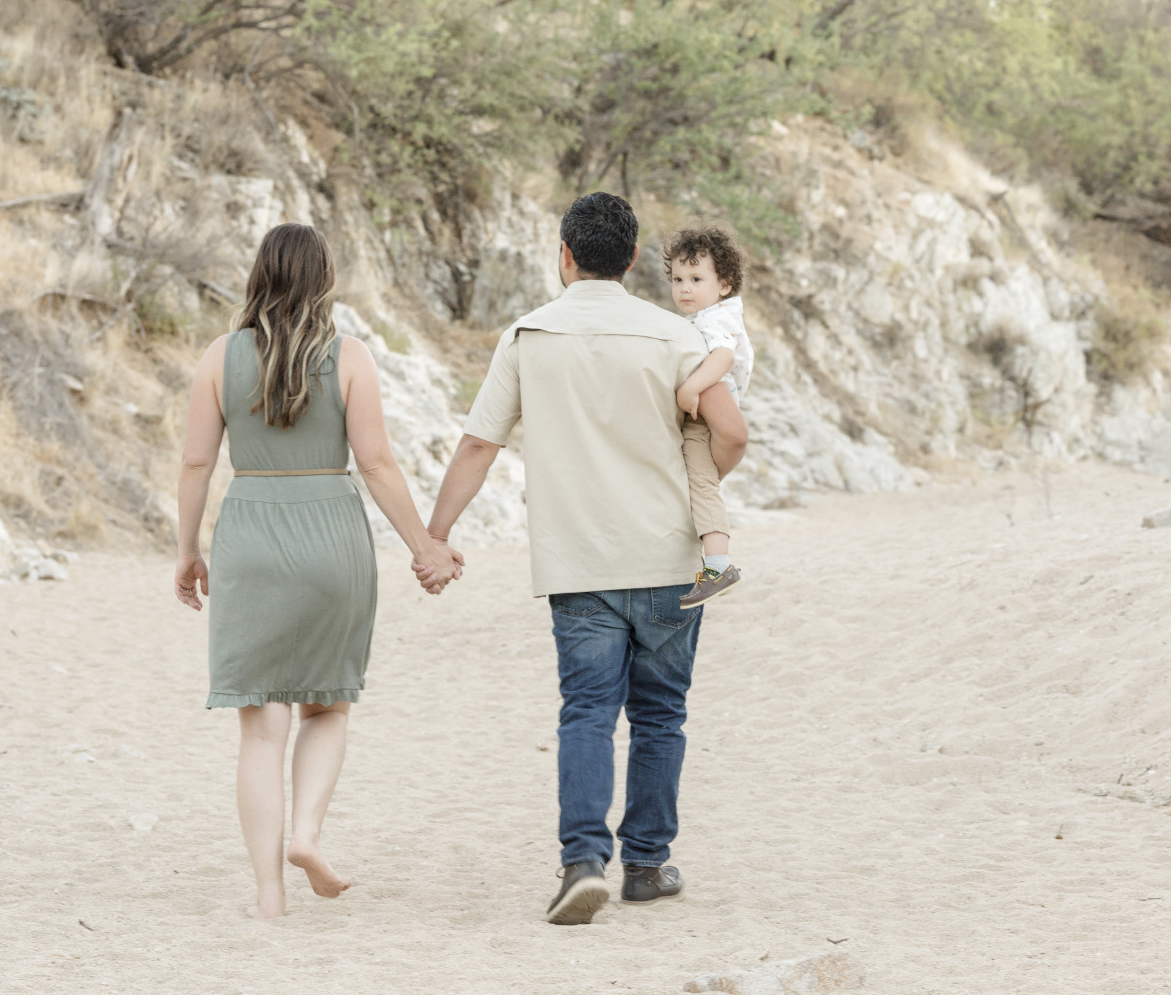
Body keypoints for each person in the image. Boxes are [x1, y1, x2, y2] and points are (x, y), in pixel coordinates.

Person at [425, 192, 745, 925]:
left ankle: (580, 862)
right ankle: (646, 864)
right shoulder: (675, 336)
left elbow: (478, 444)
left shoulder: (528, 333)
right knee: (660, 713)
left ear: (564, 255)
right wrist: (697, 490)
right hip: (667, 559)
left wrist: (437, 534)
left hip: (578, 564)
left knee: (587, 712)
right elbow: (731, 430)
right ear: (631, 258)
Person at [173, 223, 463, 920]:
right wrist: (424, 545)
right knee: (326, 704)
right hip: (332, 534)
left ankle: (269, 894)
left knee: (261, 727)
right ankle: (306, 835)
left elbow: (193, 463)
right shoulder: (350, 355)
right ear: (324, 277)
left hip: (250, 536)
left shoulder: (220, 355)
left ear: (258, 275)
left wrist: (187, 549)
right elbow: (377, 463)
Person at [663, 226, 751, 607]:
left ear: (725, 284)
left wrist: (690, 388)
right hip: (707, 410)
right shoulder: (707, 314)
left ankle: (718, 566)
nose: (685, 288)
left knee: (701, 483)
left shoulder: (715, 319)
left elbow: (723, 357)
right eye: (678, 279)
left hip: (706, 416)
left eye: (697, 279)